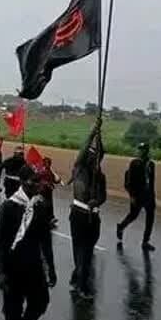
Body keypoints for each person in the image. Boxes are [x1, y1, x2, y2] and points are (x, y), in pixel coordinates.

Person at [0, 167, 56, 320]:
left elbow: (45, 240)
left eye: (38, 181)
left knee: (40, 303)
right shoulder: (9, 207)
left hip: (34, 267)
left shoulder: (40, 206)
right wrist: (0, 271)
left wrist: (51, 268)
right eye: (33, 181)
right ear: (23, 182)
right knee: (13, 311)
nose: (37, 185)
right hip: (12, 269)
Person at [69, 124, 107, 299]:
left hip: (93, 218)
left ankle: (77, 277)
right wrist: (92, 132)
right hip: (78, 215)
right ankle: (82, 285)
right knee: (80, 250)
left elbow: (103, 196)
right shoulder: (79, 169)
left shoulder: (100, 176)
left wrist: (96, 201)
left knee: (87, 251)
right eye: (91, 158)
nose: (94, 160)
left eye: (96, 158)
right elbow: (84, 150)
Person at [117, 142, 157, 252]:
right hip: (137, 195)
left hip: (149, 196)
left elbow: (152, 181)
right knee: (133, 215)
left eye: (143, 150)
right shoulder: (134, 163)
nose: (141, 152)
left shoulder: (151, 164)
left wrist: (153, 196)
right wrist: (132, 196)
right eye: (140, 150)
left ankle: (145, 241)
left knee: (150, 219)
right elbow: (130, 181)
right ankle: (121, 227)